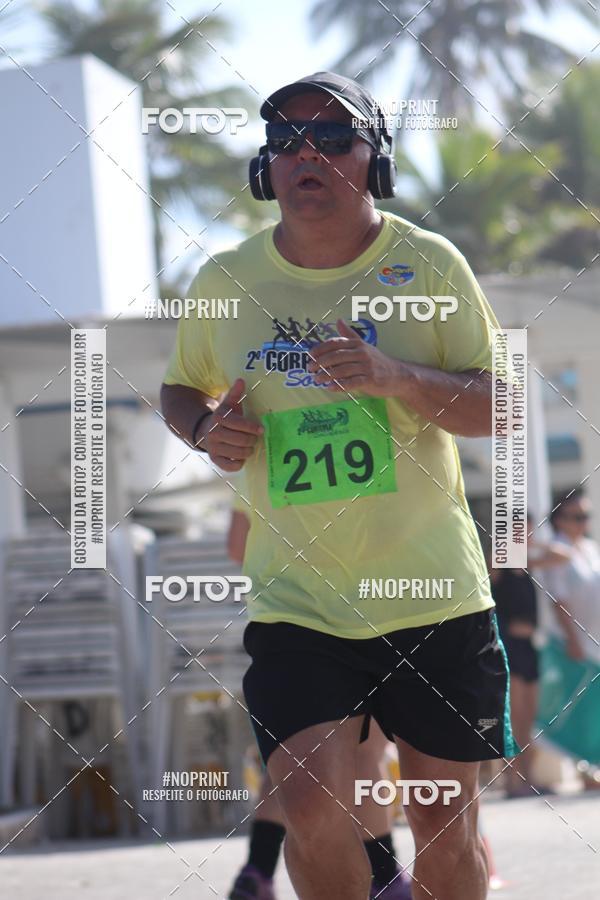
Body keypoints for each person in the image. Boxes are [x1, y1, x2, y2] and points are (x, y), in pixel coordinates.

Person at [161, 71, 518, 900]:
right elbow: (183, 389)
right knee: (312, 806)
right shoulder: (224, 282)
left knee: (443, 824)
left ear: (374, 159)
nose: (305, 154)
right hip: (300, 606)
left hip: (434, 600)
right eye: (285, 140)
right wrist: (207, 430)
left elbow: (503, 406)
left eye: (331, 136)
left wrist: (394, 374)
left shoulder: (430, 265)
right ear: (265, 168)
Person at [227, 491, 411, 899]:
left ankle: (256, 870)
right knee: (366, 753)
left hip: (289, 619)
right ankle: (386, 876)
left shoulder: (258, 438)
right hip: (366, 616)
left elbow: (237, 545)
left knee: (295, 765)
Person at [489, 515, 571, 797]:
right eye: (519, 530)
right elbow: (492, 565)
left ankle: (527, 777)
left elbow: (562, 556)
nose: (525, 534)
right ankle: (512, 781)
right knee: (513, 716)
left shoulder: (528, 564)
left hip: (529, 647)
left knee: (529, 719)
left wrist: (533, 545)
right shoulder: (502, 563)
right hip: (508, 646)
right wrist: (512, 544)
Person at [540, 490, 600, 786]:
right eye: (577, 517)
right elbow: (558, 600)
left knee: (592, 710)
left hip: (595, 642)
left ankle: (591, 767)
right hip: (571, 644)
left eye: (586, 516)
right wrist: (573, 640)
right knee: (575, 711)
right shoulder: (557, 550)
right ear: (560, 519)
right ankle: (584, 769)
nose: (583, 523)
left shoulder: (589, 547)